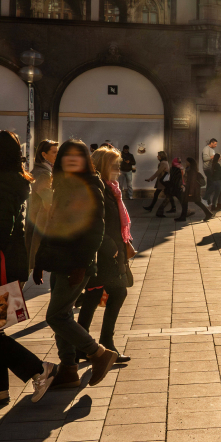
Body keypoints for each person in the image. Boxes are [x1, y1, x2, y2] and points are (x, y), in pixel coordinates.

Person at [0, 131, 61, 406]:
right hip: (7, 260)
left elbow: (3, 227)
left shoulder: (0, 183)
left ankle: (38, 369)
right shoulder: (12, 180)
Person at [33, 140, 119, 388]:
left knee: (56, 316)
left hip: (75, 262)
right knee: (64, 314)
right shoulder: (61, 184)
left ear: (85, 160)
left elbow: (95, 230)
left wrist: (82, 264)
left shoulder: (91, 185)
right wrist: (40, 262)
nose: (70, 159)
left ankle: (99, 354)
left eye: (76, 156)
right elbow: (50, 226)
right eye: (65, 156)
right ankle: (69, 368)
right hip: (57, 259)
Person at [77, 146, 134, 364]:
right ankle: (104, 344)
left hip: (111, 251)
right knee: (116, 293)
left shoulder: (112, 188)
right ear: (102, 165)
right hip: (104, 253)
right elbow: (94, 221)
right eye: (115, 164)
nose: (119, 168)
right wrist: (112, 246)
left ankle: (82, 346)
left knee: (93, 296)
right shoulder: (98, 187)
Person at [27, 140, 58, 275]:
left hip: (35, 222)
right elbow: (49, 199)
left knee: (26, 266)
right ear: (44, 155)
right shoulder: (44, 173)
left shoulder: (44, 170)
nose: (58, 155)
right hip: (38, 223)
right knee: (26, 266)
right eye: (54, 152)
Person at [177, 157, 214, 221]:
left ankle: (208, 213)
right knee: (187, 202)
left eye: (187, 162)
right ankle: (183, 217)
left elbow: (192, 181)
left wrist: (191, 192)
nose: (186, 163)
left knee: (195, 202)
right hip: (191, 189)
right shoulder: (189, 169)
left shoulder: (192, 171)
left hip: (192, 189)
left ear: (190, 163)